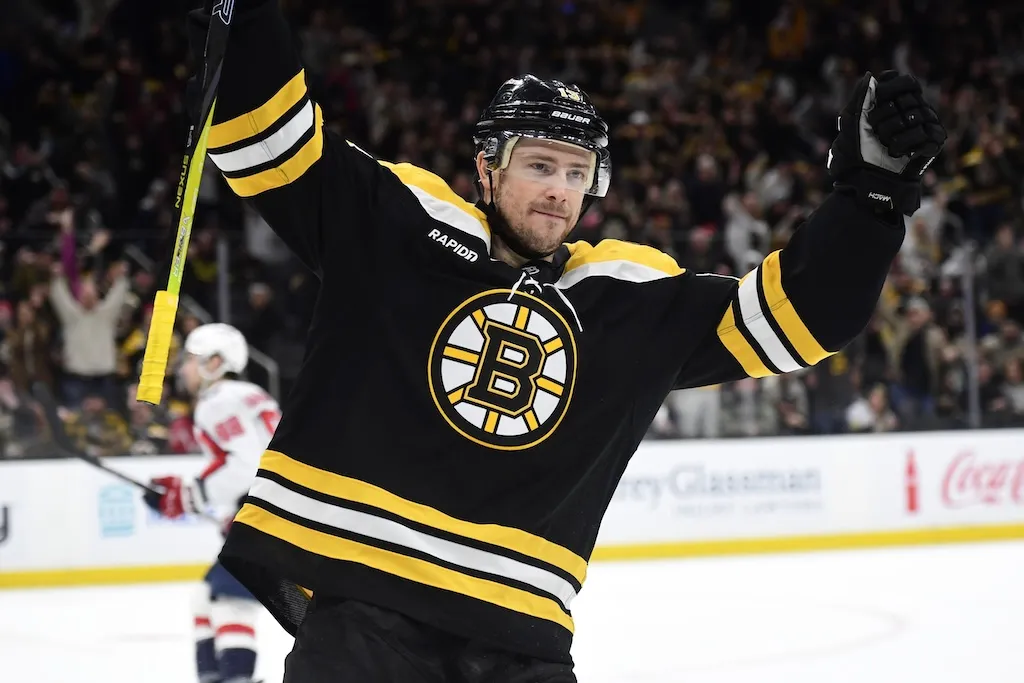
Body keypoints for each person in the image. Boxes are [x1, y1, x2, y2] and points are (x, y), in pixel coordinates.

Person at [182, 1, 946, 680]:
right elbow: (273, 144)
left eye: (577, 172)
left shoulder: (627, 295)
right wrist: (245, 18)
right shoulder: (399, 225)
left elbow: (799, 318)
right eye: (540, 164)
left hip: (521, 640)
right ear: (486, 167)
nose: (558, 189)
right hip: (363, 615)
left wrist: (871, 204)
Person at [143, 323, 281, 683]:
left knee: (229, 602)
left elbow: (247, 464)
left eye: (192, 359)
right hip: (271, 513)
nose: (183, 368)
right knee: (205, 598)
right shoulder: (249, 394)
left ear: (215, 363)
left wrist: (187, 495)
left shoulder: (219, 400)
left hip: (268, 521)